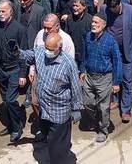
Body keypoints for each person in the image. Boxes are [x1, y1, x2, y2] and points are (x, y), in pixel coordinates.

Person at [18, 33, 83, 164]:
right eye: (46, 47)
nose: (47, 51)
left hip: (60, 111)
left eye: (51, 49)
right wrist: (16, 51)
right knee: (50, 139)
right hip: (44, 108)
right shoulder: (41, 52)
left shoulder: (68, 64)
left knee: (57, 147)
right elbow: (28, 55)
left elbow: (75, 87)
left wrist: (77, 108)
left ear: (59, 48)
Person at [100, 0, 132, 124]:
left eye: (114, 8)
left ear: (119, 3)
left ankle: (125, 109)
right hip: (111, 51)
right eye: (110, 8)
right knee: (113, 77)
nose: (112, 10)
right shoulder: (104, 9)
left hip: (128, 51)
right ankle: (115, 99)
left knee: (127, 79)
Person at [79, 12, 121, 143]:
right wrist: (82, 70)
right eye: (92, 22)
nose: (93, 24)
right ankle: (95, 119)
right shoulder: (88, 37)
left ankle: (103, 130)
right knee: (87, 103)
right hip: (89, 76)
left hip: (104, 78)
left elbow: (117, 61)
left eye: (96, 22)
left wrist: (116, 82)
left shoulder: (110, 41)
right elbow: (84, 55)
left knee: (104, 107)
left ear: (104, 25)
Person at [0, 0, 28, 142]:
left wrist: (23, 74)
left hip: (15, 69)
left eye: (3, 11)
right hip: (1, 69)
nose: (0, 14)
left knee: (11, 99)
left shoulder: (19, 29)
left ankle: (17, 127)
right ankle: (11, 124)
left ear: (11, 11)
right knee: (5, 100)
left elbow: (24, 53)